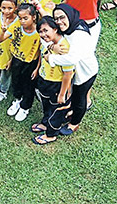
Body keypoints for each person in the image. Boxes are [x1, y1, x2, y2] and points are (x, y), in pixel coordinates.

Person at [50, 4, 99, 136]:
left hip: (86, 73)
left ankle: (74, 123)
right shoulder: (70, 27)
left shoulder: (79, 35)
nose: (59, 22)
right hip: (77, 72)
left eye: (62, 17)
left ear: (69, 16)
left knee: (79, 98)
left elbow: (71, 59)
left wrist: (51, 58)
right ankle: (72, 111)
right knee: (74, 97)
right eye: (56, 19)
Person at [31, 16, 74, 145]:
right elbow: (42, 53)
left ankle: (51, 134)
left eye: (46, 30)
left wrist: (62, 93)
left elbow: (68, 74)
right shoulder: (47, 42)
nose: (43, 34)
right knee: (46, 105)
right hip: (45, 80)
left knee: (56, 110)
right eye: (40, 31)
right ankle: (45, 123)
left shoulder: (64, 48)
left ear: (55, 29)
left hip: (57, 84)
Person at [0, 3, 41, 122]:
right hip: (17, 60)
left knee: (28, 85)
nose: (22, 21)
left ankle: (25, 107)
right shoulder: (16, 26)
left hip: (30, 63)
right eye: (20, 18)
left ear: (33, 17)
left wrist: (37, 68)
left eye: (25, 18)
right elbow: (0, 39)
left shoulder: (39, 32)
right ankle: (17, 100)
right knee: (16, 81)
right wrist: (3, 31)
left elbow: (40, 53)